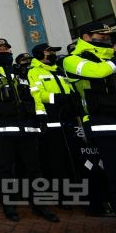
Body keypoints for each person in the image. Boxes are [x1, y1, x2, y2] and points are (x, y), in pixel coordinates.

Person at [0, 38, 59, 222]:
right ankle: (10, 206)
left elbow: (35, 94)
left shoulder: (22, 71)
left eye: (6, 48)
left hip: (28, 128)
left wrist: (41, 115)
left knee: (34, 168)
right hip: (3, 128)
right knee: (5, 169)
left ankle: (40, 205)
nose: (3, 51)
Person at [62, 21, 116, 215]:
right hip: (102, 123)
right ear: (86, 37)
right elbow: (98, 72)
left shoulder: (109, 58)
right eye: (101, 35)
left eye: (108, 35)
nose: (106, 38)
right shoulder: (73, 60)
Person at [27, 43, 80, 209]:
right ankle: (62, 196)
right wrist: (56, 98)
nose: (52, 54)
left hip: (68, 120)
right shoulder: (34, 71)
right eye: (48, 51)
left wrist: (72, 98)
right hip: (51, 119)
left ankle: (76, 192)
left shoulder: (59, 70)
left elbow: (70, 89)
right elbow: (36, 94)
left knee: (72, 157)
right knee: (55, 160)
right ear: (39, 54)